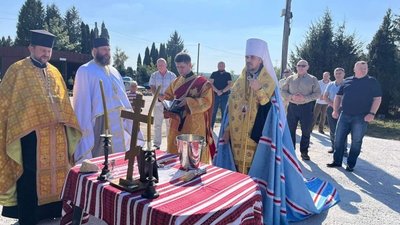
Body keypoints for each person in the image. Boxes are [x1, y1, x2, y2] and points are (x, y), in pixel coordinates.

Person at [214, 38, 339, 224]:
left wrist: (259, 90)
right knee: (238, 171)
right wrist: (226, 129)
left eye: (253, 57)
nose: (249, 60)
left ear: (261, 59)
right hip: (237, 138)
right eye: (247, 56)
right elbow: (231, 105)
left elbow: (271, 107)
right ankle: (238, 204)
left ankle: (254, 205)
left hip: (258, 137)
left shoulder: (267, 79)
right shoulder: (240, 79)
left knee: (255, 173)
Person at [0, 30, 81, 225]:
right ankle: (28, 217)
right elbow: (5, 103)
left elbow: (63, 101)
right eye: (42, 50)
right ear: (31, 48)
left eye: (49, 50)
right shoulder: (17, 70)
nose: (46, 54)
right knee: (29, 176)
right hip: (29, 135)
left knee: (59, 173)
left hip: (56, 134)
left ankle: (52, 211)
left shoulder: (54, 71)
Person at [73, 37, 143, 163]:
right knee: (101, 159)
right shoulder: (85, 70)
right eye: (104, 49)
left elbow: (123, 97)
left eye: (109, 49)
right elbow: (81, 103)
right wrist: (84, 126)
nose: (107, 52)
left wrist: (131, 117)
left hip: (119, 120)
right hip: (100, 121)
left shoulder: (114, 71)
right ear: (94, 51)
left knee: (121, 157)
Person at [327, 61, 382, 172]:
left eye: (365, 68)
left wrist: (372, 113)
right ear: (354, 69)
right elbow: (338, 96)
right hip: (344, 115)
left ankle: (350, 164)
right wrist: (335, 110)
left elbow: (377, 99)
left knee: (356, 141)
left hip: (361, 117)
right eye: (361, 68)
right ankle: (337, 161)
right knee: (338, 139)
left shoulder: (372, 81)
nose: (363, 70)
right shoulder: (347, 81)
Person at [163, 52, 215, 163]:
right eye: (177, 67)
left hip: (193, 123)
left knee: (193, 158)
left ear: (190, 65)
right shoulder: (175, 81)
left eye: (182, 67)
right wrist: (165, 102)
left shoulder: (203, 83)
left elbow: (207, 102)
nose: (180, 70)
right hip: (176, 122)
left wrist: (188, 101)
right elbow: (168, 96)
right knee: (174, 155)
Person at [281, 59, 321, 160]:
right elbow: (283, 91)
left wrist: (305, 98)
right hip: (292, 108)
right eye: (299, 65)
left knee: (306, 131)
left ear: (307, 67)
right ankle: (291, 151)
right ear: (296, 67)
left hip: (306, 108)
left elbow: (318, 93)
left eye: (303, 65)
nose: (301, 67)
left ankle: (304, 152)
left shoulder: (313, 79)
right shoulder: (290, 78)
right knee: (290, 130)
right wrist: (291, 97)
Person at [149, 58, 176, 149]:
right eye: (159, 65)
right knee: (157, 124)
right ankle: (157, 144)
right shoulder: (154, 75)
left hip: (169, 104)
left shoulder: (172, 76)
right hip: (157, 103)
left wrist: (168, 97)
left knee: (169, 124)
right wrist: (158, 95)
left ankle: (170, 144)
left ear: (166, 65)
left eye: (162, 65)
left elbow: (175, 88)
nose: (160, 66)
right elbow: (152, 86)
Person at [323, 68, 347, 154]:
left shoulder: (347, 84)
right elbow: (325, 97)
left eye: (340, 73)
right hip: (331, 108)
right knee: (333, 129)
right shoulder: (330, 84)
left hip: (343, 109)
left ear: (344, 74)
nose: (338, 75)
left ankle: (344, 150)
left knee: (343, 130)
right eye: (336, 73)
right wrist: (333, 105)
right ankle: (334, 147)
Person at [209, 61, 232, 129]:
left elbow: (230, 84)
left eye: (222, 65)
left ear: (224, 66)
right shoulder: (214, 74)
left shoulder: (228, 74)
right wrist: (217, 91)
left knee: (224, 113)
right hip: (215, 96)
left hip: (225, 96)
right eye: (220, 65)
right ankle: (210, 129)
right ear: (217, 66)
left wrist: (222, 91)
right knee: (213, 112)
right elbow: (210, 84)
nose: (221, 66)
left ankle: (223, 130)